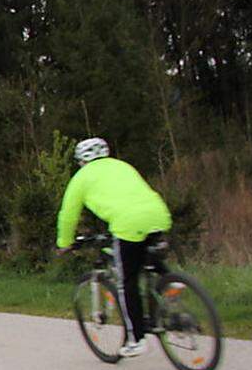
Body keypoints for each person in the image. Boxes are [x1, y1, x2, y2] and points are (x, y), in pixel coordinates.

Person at [56, 137, 172, 357]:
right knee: (142, 254)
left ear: (81, 160)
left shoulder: (80, 178)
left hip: (128, 223)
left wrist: (64, 243)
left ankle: (136, 339)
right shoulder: (122, 166)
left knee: (126, 281)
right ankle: (170, 281)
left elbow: (68, 216)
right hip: (158, 214)